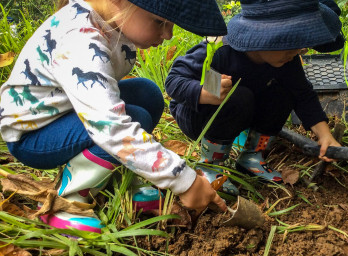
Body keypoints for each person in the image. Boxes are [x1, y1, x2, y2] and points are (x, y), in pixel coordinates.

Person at [0, 0, 228, 233]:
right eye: (160, 22)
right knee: (132, 118)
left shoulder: (110, 20)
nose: (168, 35)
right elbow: (110, 127)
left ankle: (122, 184)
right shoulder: (79, 39)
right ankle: (66, 203)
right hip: (34, 135)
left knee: (147, 94)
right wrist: (184, 181)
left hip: (66, 110)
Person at [165, 0, 344, 196]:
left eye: (299, 47)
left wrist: (325, 136)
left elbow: (303, 94)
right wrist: (205, 93)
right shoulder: (222, 50)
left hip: (242, 111)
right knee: (238, 95)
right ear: (261, 37)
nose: (296, 53)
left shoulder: (286, 61)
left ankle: (252, 156)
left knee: (285, 91)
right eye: (288, 46)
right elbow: (174, 80)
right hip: (199, 114)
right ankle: (211, 165)